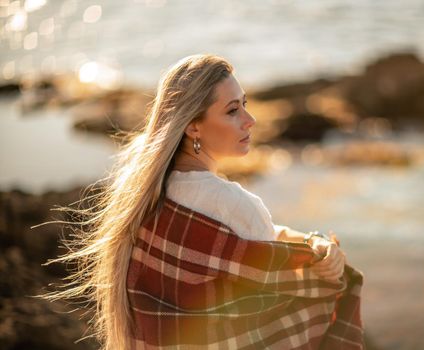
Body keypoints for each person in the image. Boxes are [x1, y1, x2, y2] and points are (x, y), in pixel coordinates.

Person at [39, 53, 363, 350]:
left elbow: (252, 237)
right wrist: (321, 253)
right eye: (233, 110)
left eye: (245, 104)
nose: (250, 120)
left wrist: (307, 241)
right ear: (193, 125)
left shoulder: (142, 196)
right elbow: (285, 285)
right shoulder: (234, 204)